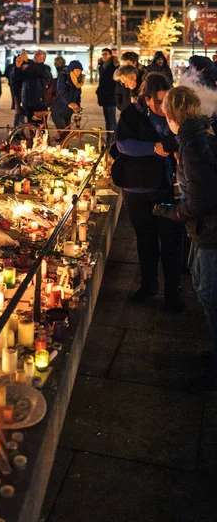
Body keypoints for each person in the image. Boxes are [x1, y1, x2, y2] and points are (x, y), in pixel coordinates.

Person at [154, 87, 217, 376]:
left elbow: (201, 200)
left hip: (211, 232)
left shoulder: (192, 146)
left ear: (170, 115)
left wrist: (168, 211)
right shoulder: (198, 135)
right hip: (203, 229)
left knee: (209, 293)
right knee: (203, 288)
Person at [111, 72, 185, 313]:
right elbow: (122, 144)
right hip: (136, 186)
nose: (164, 107)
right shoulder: (132, 113)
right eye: (159, 101)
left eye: (167, 100)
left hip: (166, 187)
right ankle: (148, 285)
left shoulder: (175, 112)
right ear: (147, 97)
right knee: (145, 238)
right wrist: (153, 148)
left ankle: (173, 293)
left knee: (171, 242)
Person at [51, 60, 85, 141]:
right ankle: (63, 151)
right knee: (64, 136)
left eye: (80, 70)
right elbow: (62, 92)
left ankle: (65, 151)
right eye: (77, 70)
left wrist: (78, 108)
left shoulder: (78, 82)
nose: (79, 72)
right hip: (58, 111)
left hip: (68, 112)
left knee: (68, 136)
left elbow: (78, 97)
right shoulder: (63, 78)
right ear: (71, 70)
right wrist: (70, 103)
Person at [16, 49, 52, 123]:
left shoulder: (45, 68)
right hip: (27, 101)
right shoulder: (29, 67)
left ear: (43, 58)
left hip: (40, 102)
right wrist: (18, 66)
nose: (35, 55)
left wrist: (28, 61)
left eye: (38, 54)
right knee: (31, 125)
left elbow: (37, 70)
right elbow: (17, 78)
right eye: (35, 54)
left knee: (41, 125)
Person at [96, 47, 118, 142]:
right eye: (102, 54)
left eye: (106, 54)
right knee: (107, 119)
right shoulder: (101, 66)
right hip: (104, 96)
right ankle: (110, 138)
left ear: (110, 55)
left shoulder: (114, 67)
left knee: (111, 119)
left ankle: (114, 138)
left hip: (111, 96)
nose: (104, 56)